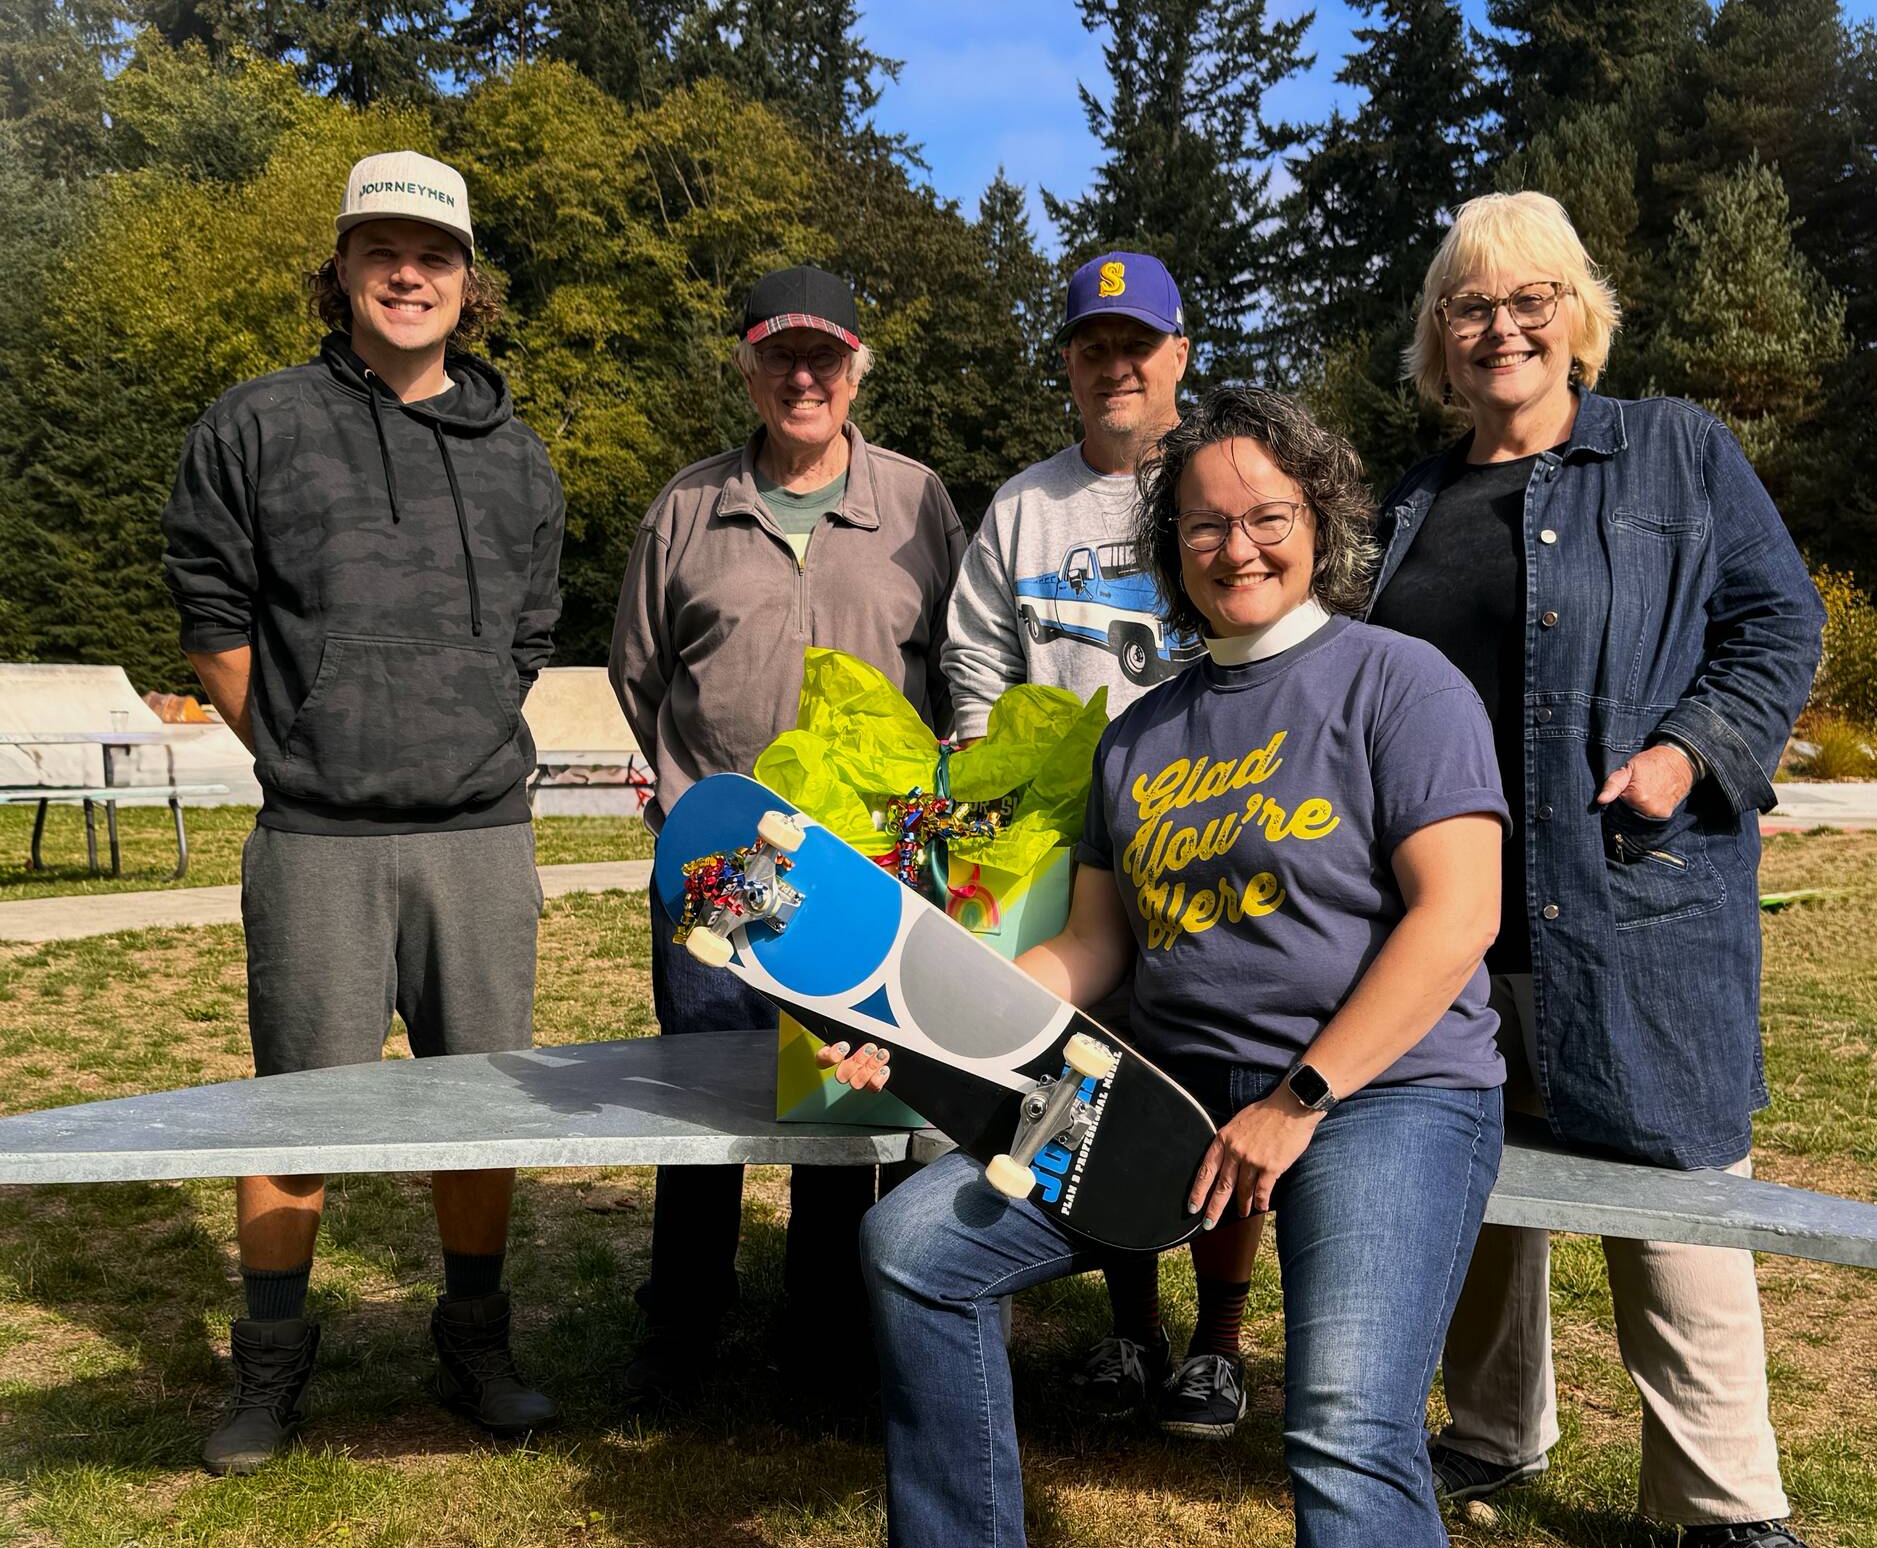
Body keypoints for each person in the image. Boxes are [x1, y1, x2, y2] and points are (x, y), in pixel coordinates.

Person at [784, 386, 1510, 1548]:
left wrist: (1306, 1095)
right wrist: (916, 1029)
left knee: (1342, 1430)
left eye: (1266, 517)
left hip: (1386, 1091)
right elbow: (1093, 948)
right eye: (1202, 525)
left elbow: (1455, 919)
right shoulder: (1145, 728)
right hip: (1174, 1097)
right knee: (919, 1245)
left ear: (1319, 521)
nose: (1235, 545)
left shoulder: (1402, 682)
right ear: (1165, 554)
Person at [1369, 189, 1868, 1548]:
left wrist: (1690, 752)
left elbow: (1780, 622)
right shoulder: (1409, 505)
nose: (1503, 327)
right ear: (1439, 343)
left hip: (1630, 891)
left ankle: (1722, 1504)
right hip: (1449, 911)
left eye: (1531, 299)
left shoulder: (1676, 450)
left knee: (1674, 1181)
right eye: (1471, 306)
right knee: (1467, 1175)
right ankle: (1493, 1431)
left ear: (1578, 315)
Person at [162, 149, 566, 1476]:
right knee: (297, 1111)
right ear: (339, 268)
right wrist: (299, 739)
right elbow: (212, 611)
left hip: (478, 835)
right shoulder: (255, 423)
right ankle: (270, 1359)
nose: (408, 272)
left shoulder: (518, 457)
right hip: (317, 840)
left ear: (471, 284)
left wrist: (452, 729)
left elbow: (526, 633)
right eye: (381, 248)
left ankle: (474, 1337)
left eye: (435, 253)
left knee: (481, 1106)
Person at [608, 264, 964, 1407]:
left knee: (843, 1093)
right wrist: (684, 795)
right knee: (702, 1086)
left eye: (824, 358)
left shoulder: (917, 503)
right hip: (720, 862)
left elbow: (954, 672)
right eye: (779, 357)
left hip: (863, 872)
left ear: (857, 368)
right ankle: (683, 1325)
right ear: (747, 368)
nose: (801, 378)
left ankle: (826, 1329)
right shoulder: (687, 509)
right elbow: (640, 669)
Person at [946, 251, 1255, 1437]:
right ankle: (1131, 1330)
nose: (1114, 364)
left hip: (1216, 831)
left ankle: (1220, 1343)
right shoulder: (1023, 507)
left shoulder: (1216, 485)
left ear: (1179, 352)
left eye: (1137, 343)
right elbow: (974, 654)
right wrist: (997, 763)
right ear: (1067, 365)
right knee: (1088, 1080)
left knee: (1220, 1076)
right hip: (1068, 849)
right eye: (1091, 346)